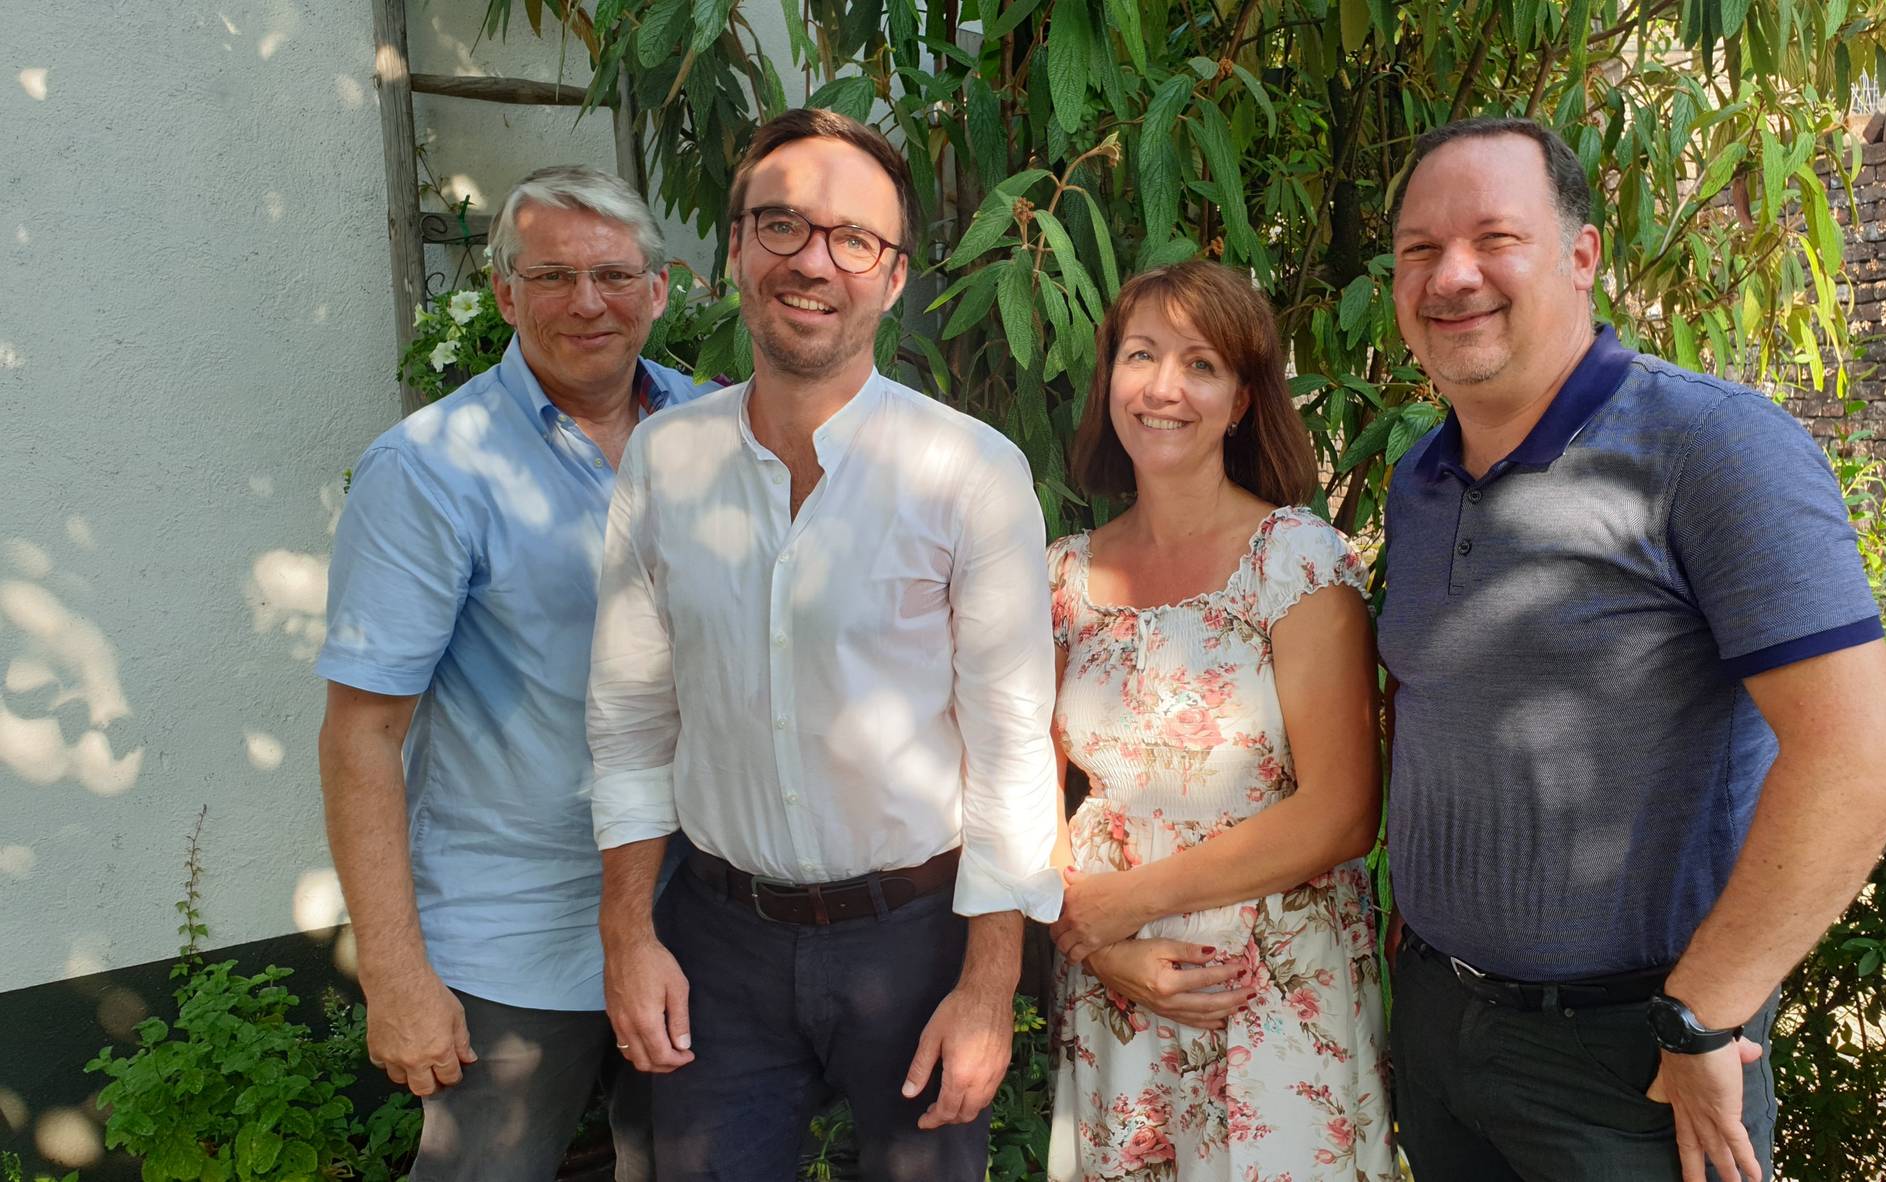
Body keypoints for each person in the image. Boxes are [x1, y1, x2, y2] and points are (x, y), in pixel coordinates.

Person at [1377, 116, 1886, 1182]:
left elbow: (1860, 761)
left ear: (1582, 258)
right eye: (1418, 250)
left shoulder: (1709, 447)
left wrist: (1702, 1017)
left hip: (1632, 1063)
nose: (1452, 275)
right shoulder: (1421, 478)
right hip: (1442, 1030)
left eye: (1496, 237)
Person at [584, 108, 1065, 1182]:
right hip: (718, 942)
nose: (815, 262)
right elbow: (627, 726)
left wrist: (991, 990)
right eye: (783, 226)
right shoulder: (663, 465)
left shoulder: (968, 474)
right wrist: (630, 931)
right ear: (735, 248)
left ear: (893, 278)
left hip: (916, 940)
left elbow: (1013, 748)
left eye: (855, 238)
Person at [316, 165, 716, 1179]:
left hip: (702, 920)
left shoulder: (720, 437)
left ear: (659, 288)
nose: (587, 302)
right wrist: (396, 972)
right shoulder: (429, 471)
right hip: (515, 942)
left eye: (613, 274)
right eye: (551, 276)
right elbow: (362, 733)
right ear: (503, 293)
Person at [1043, 260, 1396, 1181]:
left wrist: (1127, 904)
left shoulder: (1296, 563)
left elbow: (1345, 811)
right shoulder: (1063, 579)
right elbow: (1019, 787)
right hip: (1114, 987)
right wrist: (1096, 939)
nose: (1164, 388)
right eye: (1142, 355)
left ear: (1241, 400)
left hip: (1269, 989)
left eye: (1200, 365)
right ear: (1110, 379)